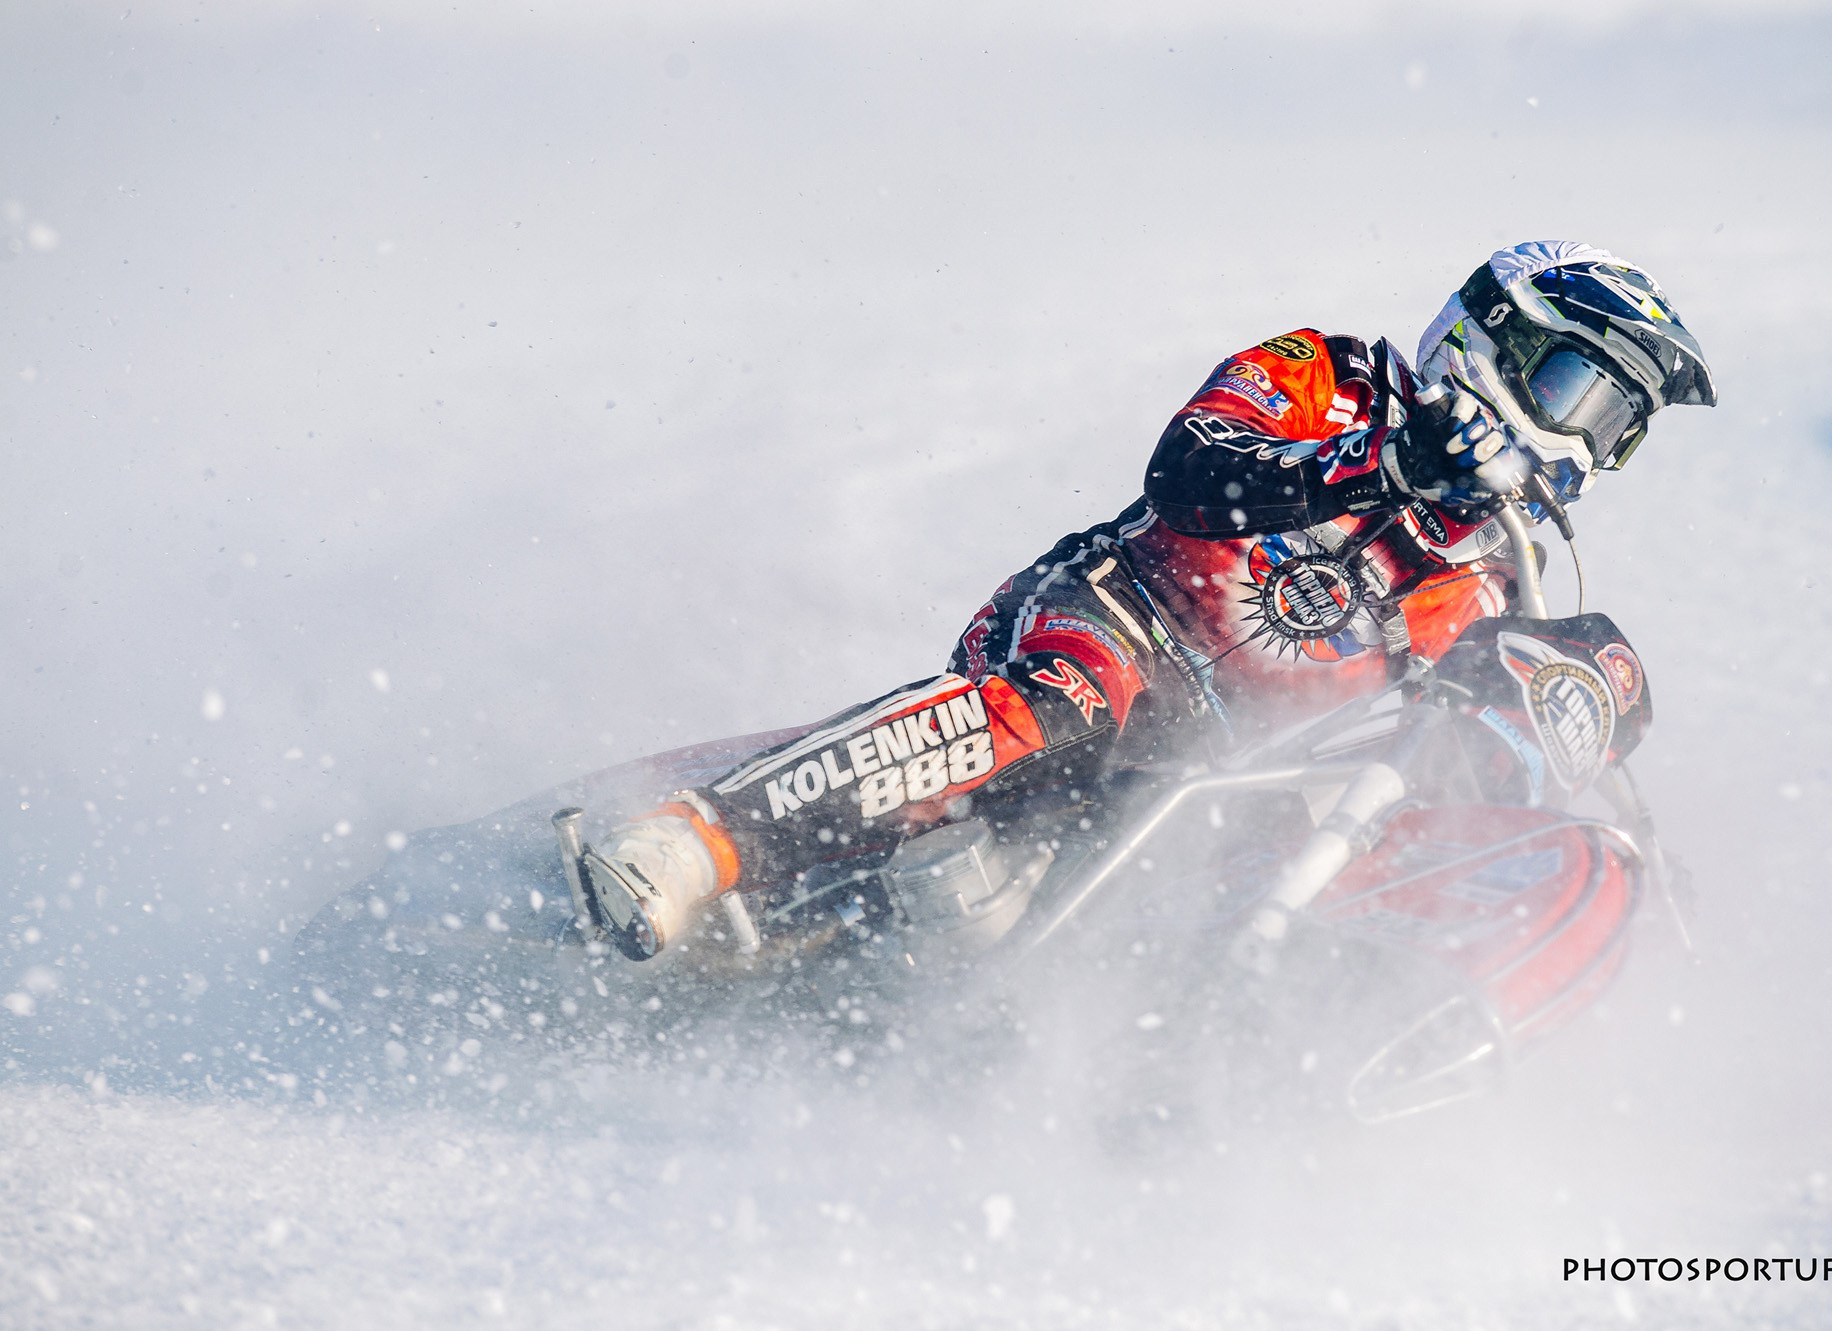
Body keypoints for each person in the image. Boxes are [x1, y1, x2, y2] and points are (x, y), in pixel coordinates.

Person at [580, 239, 1716, 961]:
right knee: (1066, 701)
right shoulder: (1330, 377)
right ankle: (692, 839)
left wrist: (1554, 751)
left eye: (1616, 429)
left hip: (1215, 783)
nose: (1582, 445)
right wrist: (1383, 464)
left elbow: (1429, 755)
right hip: (1113, 620)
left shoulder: (1489, 583)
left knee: (1248, 878)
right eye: (1576, 393)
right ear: (1493, 338)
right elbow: (1190, 473)